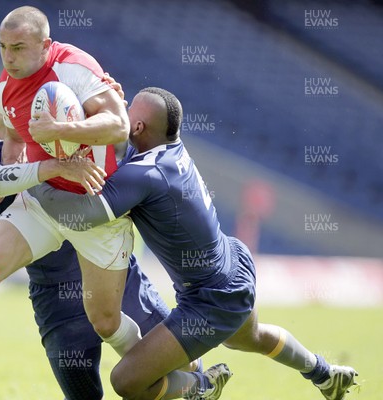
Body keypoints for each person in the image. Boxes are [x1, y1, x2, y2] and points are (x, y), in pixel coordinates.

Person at [27, 87, 359, 400]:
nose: (123, 112)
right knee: (250, 338)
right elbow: (115, 147)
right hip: (230, 267)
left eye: (128, 111)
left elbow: (82, 216)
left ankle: (202, 384)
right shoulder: (168, 149)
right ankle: (324, 373)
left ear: (139, 126)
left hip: (210, 299)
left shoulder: (146, 173)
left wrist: (35, 177)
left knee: (126, 382)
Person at [0, 75, 175, 400]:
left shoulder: (62, 117)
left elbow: (115, 141)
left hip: (110, 273)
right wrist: (13, 183)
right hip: (57, 299)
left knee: (174, 355)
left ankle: (197, 386)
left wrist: (113, 106)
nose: (5, 89)